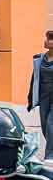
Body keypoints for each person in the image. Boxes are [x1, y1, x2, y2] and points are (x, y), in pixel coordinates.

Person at [28, 31, 53, 159]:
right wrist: (30, 98)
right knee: (44, 126)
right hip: (44, 97)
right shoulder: (40, 59)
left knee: (50, 125)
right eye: (47, 38)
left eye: (50, 39)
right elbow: (35, 79)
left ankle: (50, 157)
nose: (46, 41)